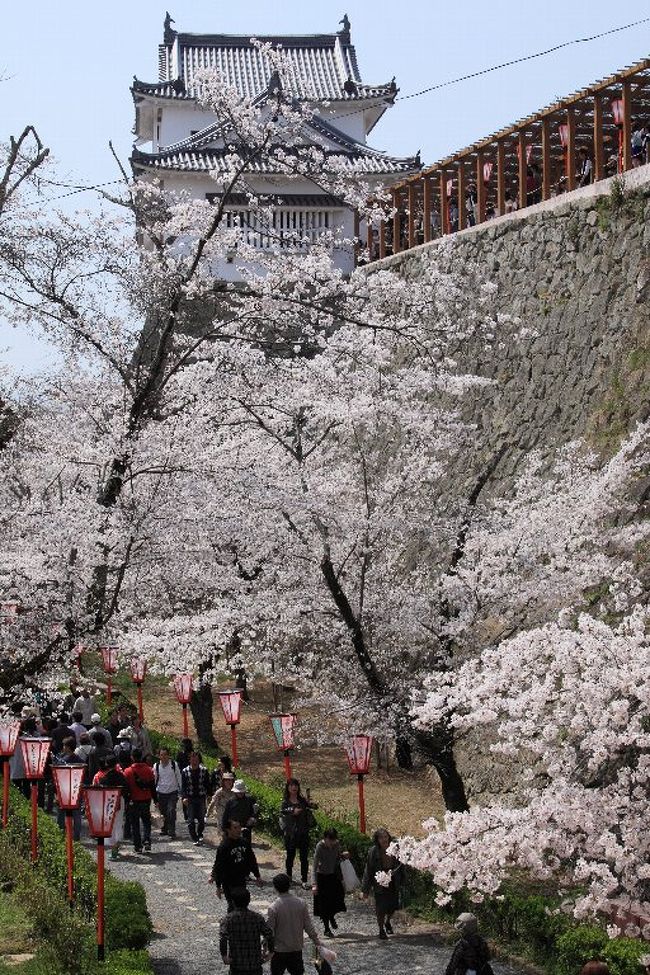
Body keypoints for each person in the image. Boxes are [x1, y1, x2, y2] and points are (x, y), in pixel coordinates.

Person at [267, 872, 322, 975]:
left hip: (279, 950)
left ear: (275, 888)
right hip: (296, 948)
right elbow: (308, 926)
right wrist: (316, 941)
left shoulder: (274, 907)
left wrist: (266, 948)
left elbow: (269, 931)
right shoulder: (301, 903)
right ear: (289, 886)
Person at [219, 887, 274, 975]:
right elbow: (269, 934)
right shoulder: (257, 918)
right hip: (255, 963)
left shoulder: (228, 919)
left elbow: (223, 938)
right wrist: (270, 952)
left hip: (237, 964)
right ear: (248, 901)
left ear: (233, 902)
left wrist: (224, 956)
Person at [210, 819, 262, 910]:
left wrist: (257, 875)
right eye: (235, 828)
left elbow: (252, 860)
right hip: (228, 881)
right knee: (232, 905)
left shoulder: (244, 842)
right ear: (228, 830)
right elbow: (219, 865)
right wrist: (218, 886)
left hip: (242, 879)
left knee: (242, 904)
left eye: (239, 827)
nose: (239, 830)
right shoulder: (224, 846)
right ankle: (231, 922)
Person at [361, 827, 403, 939]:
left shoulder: (395, 848)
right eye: (381, 838)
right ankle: (381, 930)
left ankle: (387, 921)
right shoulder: (373, 851)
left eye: (385, 837)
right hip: (379, 881)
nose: (384, 840)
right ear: (377, 840)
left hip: (393, 880)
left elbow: (401, 864)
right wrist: (365, 889)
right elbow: (368, 870)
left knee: (393, 906)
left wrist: (399, 876)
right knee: (380, 908)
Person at [280, 778, 317, 889]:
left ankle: (304, 880)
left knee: (304, 858)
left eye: (295, 785)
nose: (294, 787)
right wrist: (292, 812)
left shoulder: (303, 801)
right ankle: (289, 876)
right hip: (291, 834)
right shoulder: (285, 802)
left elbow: (314, 807)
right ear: (288, 788)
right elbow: (282, 814)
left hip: (303, 832)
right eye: (291, 785)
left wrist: (311, 804)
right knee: (290, 856)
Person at [312, 828, 348, 937]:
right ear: (325, 838)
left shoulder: (336, 845)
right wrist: (314, 884)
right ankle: (326, 928)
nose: (332, 843)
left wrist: (343, 855)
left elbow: (337, 857)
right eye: (330, 840)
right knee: (323, 904)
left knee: (338, 898)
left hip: (333, 876)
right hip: (322, 877)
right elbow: (314, 866)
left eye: (333, 840)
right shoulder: (320, 847)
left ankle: (332, 916)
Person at [93, 754, 129, 860]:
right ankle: (116, 845)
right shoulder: (121, 776)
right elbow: (126, 789)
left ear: (107, 764)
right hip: (120, 801)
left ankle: (113, 848)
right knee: (118, 823)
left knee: (111, 825)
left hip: (108, 802)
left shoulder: (104, 778)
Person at [123, 747, 156, 853]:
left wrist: (126, 800)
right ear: (141, 756)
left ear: (132, 757)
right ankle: (146, 839)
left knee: (135, 823)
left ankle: (138, 845)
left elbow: (125, 788)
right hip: (146, 799)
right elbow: (152, 786)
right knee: (146, 821)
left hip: (133, 800)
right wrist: (156, 800)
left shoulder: (127, 771)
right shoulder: (149, 770)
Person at [54, 737, 83, 840]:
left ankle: (60, 835)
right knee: (76, 814)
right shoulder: (80, 760)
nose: (63, 748)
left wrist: (56, 792)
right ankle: (76, 836)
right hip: (76, 790)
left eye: (64, 745)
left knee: (61, 813)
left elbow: (57, 778)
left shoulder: (62, 761)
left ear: (68, 747)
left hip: (64, 790)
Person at [181, 750, 210, 845]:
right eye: (193, 759)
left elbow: (207, 784)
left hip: (201, 797)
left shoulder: (204, 770)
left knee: (202, 819)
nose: (194, 761)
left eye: (196, 759)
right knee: (191, 819)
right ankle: (194, 837)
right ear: (189, 760)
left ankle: (200, 833)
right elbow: (184, 786)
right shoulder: (185, 771)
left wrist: (209, 795)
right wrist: (184, 797)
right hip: (190, 798)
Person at [154, 746, 182, 839]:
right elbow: (154, 779)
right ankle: (164, 828)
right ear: (159, 756)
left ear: (168, 755)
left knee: (171, 811)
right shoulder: (156, 766)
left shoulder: (174, 765)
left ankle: (172, 830)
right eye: (162, 755)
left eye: (165, 755)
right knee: (163, 812)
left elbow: (179, 777)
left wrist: (181, 790)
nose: (164, 757)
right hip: (161, 792)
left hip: (172, 792)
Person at [222, 779, 258, 846]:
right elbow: (225, 815)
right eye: (239, 792)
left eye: (242, 792)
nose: (240, 794)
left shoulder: (250, 800)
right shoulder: (231, 801)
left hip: (246, 828)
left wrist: (252, 818)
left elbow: (255, 812)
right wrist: (224, 828)